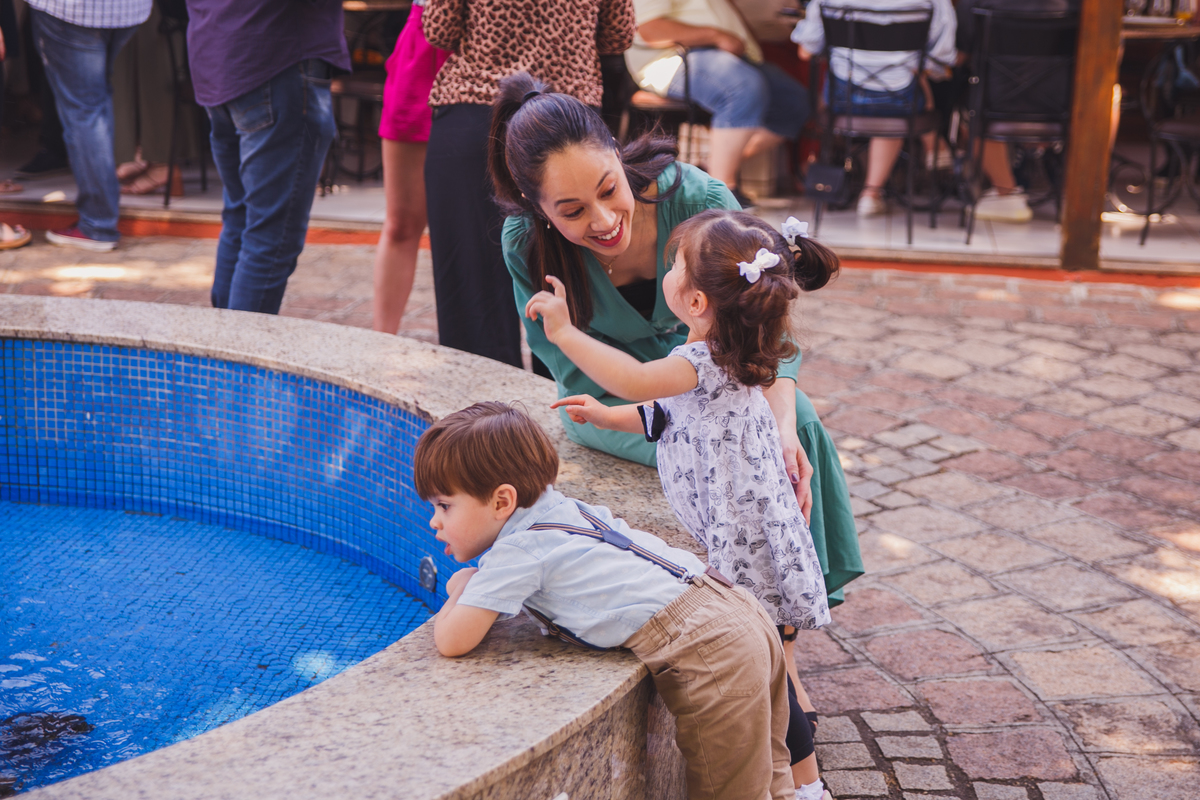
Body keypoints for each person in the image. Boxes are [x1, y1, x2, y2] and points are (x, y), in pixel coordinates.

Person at [490, 73, 863, 607]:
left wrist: (779, 426)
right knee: (724, 440)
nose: (603, 221)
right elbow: (574, 378)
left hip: (723, 370)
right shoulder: (524, 244)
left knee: (794, 420)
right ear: (536, 207)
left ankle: (798, 598)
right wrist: (685, 416)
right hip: (619, 400)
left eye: (608, 189)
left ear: (618, 154)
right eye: (571, 212)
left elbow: (766, 337)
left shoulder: (698, 199)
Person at [527, 209, 834, 800]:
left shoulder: (699, 360)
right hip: (757, 529)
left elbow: (643, 382)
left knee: (772, 677)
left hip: (744, 542)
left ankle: (807, 786)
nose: (666, 271)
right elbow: (661, 414)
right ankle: (796, 781)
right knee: (770, 669)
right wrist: (604, 414)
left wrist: (563, 334)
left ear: (696, 302)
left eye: (674, 265)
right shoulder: (738, 350)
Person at [416, 401, 795, 800]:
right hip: (737, 607)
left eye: (444, 505)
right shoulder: (568, 510)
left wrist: (463, 584)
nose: (434, 521)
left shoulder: (518, 551)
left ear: (501, 502)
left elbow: (453, 640)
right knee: (772, 774)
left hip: (711, 648)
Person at [421, 0, 634, 369]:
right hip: (568, 121)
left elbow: (439, 29)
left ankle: (485, 421)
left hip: (477, 110)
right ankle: (573, 411)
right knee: (570, 282)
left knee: (472, 291)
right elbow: (618, 33)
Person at [183, 0, 350, 314]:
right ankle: (235, 359)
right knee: (268, 237)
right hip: (274, 57)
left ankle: (222, 352)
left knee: (243, 218)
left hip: (221, 52)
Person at [626, 0, 809, 206]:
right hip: (672, 59)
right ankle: (720, 192)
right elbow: (651, 29)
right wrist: (717, 35)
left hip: (734, 57)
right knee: (741, 86)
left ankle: (710, 168)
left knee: (794, 101)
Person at [791, 0, 956, 217]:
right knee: (900, 102)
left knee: (891, 100)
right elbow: (941, 58)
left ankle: (849, 176)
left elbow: (806, 51)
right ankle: (872, 193)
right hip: (899, 97)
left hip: (842, 99)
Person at [26, 0, 151, 251]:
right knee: (95, 103)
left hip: (71, 10)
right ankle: (99, 217)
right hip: (128, 10)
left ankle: (98, 223)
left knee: (85, 111)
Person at [373, 0, 448, 334]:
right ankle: (380, 345)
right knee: (401, 222)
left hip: (493, 50)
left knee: (486, 231)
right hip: (424, 41)